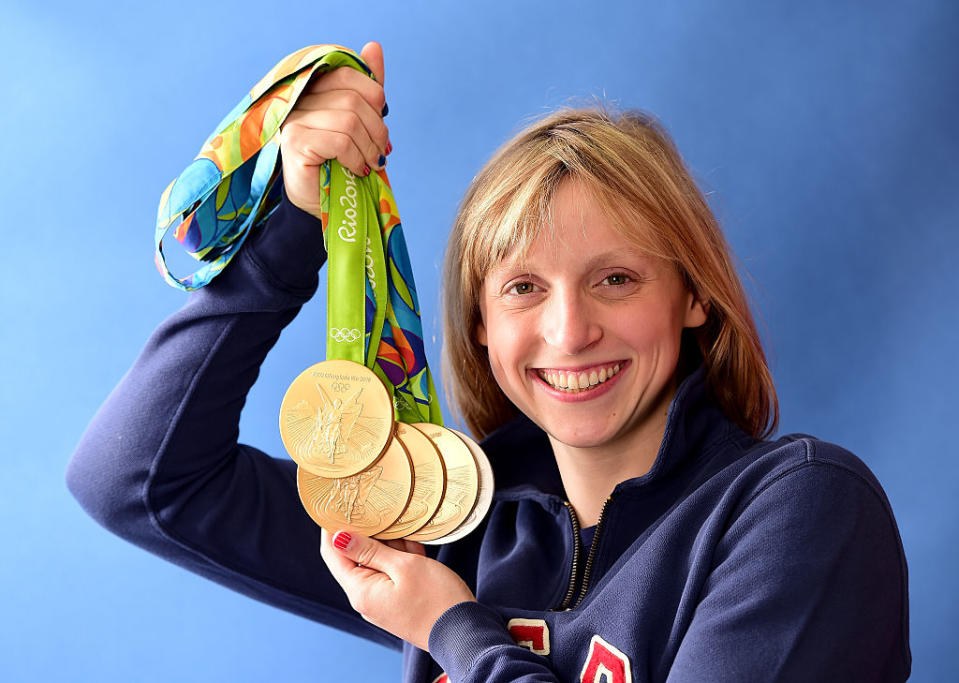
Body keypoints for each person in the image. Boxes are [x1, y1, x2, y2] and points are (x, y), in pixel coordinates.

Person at [66, 41, 911, 682]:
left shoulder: (800, 512)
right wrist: (291, 222)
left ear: (694, 297)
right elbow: (138, 479)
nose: (569, 329)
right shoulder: (447, 527)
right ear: (476, 326)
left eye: (615, 279)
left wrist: (455, 630)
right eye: (522, 289)